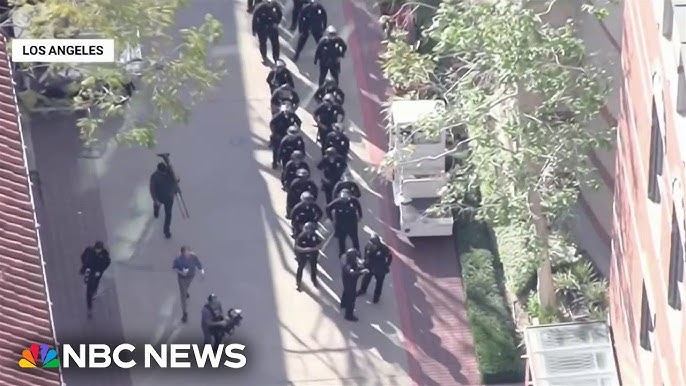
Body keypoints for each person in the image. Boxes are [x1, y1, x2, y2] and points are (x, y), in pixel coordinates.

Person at [79, 241, 111, 319]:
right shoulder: (89, 250)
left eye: (99, 249)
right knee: (89, 290)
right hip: (90, 271)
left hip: (97, 273)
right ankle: (89, 308)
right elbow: (83, 256)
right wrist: (85, 265)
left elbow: (107, 263)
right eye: (96, 249)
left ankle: (94, 291)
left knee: (95, 283)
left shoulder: (104, 255)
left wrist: (100, 270)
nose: (97, 250)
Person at [172, 246, 205, 323]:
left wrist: (202, 272)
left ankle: (186, 291)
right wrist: (181, 272)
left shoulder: (193, 257)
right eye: (186, 253)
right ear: (182, 253)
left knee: (186, 288)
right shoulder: (178, 259)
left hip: (191, 276)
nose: (187, 254)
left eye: (188, 252)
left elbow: (198, 263)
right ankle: (184, 313)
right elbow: (174, 268)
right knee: (183, 296)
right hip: (182, 279)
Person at [326, 189, 362, 256]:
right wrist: (330, 218)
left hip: (352, 224)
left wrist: (360, 216)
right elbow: (328, 208)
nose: (344, 201)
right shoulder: (337, 202)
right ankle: (342, 253)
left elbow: (359, 208)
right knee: (341, 240)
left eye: (346, 199)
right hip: (341, 225)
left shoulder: (354, 201)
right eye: (343, 199)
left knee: (354, 239)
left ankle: (357, 251)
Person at [357, 234, 392, 303]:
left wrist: (387, 265)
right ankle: (362, 290)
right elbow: (366, 255)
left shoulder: (384, 248)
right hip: (370, 266)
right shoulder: (368, 246)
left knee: (379, 283)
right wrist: (365, 261)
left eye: (374, 245)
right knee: (366, 279)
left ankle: (376, 297)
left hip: (380, 269)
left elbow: (390, 256)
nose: (373, 246)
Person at [149, 162, 178, 239]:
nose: (165, 172)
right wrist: (155, 200)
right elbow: (152, 189)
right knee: (157, 205)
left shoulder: (169, 171)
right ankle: (156, 210)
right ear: (159, 170)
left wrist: (175, 188)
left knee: (168, 214)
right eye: (163, 172)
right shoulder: (154, 177)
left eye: (165, 171)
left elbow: (174, 181)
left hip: (169, 197)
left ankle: (166, 231)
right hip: (159, 197)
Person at [340, 249, 369, 321]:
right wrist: (362, 272)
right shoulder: (348, 266)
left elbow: (357, 267)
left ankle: (343, 304)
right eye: (356, 257)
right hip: (350, 284)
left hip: (349, 283)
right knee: (351, 299)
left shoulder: (351, 262)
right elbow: (353, 273)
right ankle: (349, 315)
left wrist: (361, 266)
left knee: (345, 292)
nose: (357, 258)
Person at [293, 222, 323, 291]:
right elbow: (297, 247)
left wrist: (318, 247)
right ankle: (298, 282)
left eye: (311, 230)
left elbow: (319, 244)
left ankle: (314, 280)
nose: (309, 231)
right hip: (303, 255)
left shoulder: (314, 236)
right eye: (308, 230)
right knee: (301, 268)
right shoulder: (301, 237)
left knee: (314, 267)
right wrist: (307, 249)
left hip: (313, 255)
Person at [270, 104, 301, 169]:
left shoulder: (292, 115)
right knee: (276, 149)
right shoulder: (278, 116)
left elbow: (299, 121)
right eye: (286, 111)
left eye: (288, 111)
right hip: (279, 135)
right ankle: (275, 162)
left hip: (289, 134)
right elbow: (272, 123)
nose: (287, 113)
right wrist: (274, 133)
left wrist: (297, 128)